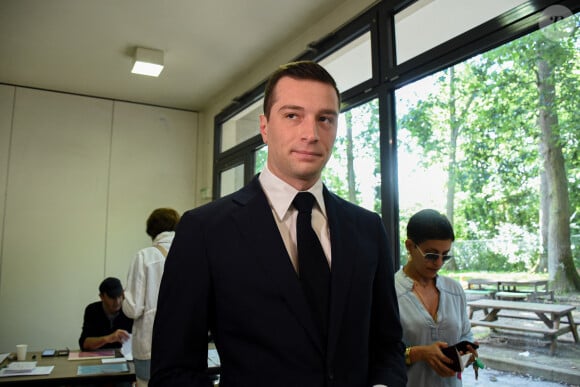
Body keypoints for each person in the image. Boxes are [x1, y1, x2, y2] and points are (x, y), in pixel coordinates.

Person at [150, 61, 407, 387]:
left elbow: (388, 344)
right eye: (292, 115)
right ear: (265, 127)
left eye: (325, 119)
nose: (311, 134)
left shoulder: (368, 228)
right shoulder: (205, 230)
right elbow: (174, 369)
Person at [395, 209, 478, 387]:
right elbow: (376, 354)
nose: (439, 263)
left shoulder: (454, 290)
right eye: (431, 255)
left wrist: (466, 357)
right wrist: (419, 353)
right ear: (409, 246)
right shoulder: (388, 291)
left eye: (445, 255)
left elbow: (466, 336)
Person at [122, 208, 181, 387]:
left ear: (151, 231)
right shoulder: (191, 253)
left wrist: (126, 295)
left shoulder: (144, 257)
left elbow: (133, 309)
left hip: (150, 347)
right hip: (184, 347)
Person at [79, 277, 132, 351]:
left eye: (119, 296)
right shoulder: (92, 310)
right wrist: (108, 338)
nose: (117, 302)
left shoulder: (129, 309)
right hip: (97, 357)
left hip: (125, 357)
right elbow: (84, 344)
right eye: (112, 297)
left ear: (123, 293)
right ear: (102, 297)